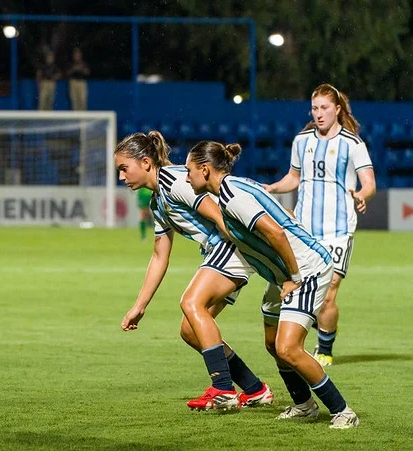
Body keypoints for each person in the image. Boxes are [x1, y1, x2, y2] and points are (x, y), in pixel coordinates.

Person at [185, 140, 359, 429]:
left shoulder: (232, 197)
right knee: (272, 343)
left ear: (205, 170)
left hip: (306, 269)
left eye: (190, 170)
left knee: (288, 347)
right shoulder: (233, 189)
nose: (187, 177)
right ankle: (304, 406)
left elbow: (276, 233)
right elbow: (284, 218)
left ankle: (343, 411)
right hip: (283, 275)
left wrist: (292, 277)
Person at [116, 132, 273, 411]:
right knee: (191, 331)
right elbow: (159, 256)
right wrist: (139, 306)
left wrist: (254, 252)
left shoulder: (176, 181)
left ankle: (223, 389)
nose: (121, 176)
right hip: (224, 252)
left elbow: (220, 215)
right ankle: (254, 388)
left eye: (123, 168)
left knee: (190, 302)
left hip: (229, 246)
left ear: (146, 162)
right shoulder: (158, 201)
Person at [265, 84, 375, 367]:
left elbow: (370, 184)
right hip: (304, 230)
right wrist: (272, 188)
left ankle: (324, 348)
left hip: (338, 231)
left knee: (328, 293)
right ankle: (295, 341)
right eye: (315, 108)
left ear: (337, 109)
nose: (319, 114)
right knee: (297, 286)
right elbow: (293, 178)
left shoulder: (353, 144)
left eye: (325, 108)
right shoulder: (302, 140)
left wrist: (362, 195)